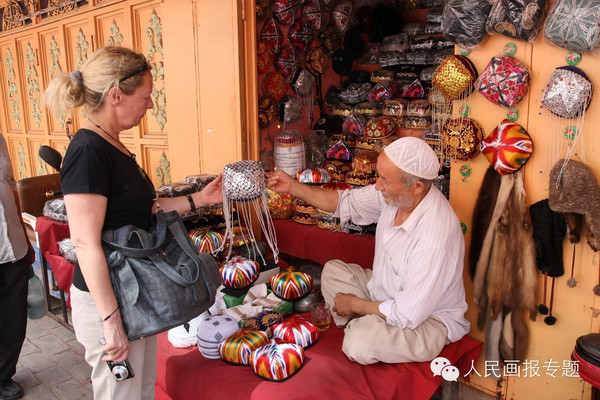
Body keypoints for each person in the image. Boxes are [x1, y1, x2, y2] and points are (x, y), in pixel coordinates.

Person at [43, 46, 223, 399]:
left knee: (140, 392)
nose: (150, 105)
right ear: (115, 95)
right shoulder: (88, 151)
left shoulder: (112, 144)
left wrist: (200, 199)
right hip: (109, 301)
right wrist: (111, 323)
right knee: (121, 394)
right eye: (146, 96)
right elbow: (84, 242)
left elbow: (147, 209)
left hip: (133, 294)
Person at [266, 137, 469, 365]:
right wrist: (293, 187)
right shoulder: (398, 195)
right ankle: (369, 325)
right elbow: (344, 203)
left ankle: (364, 328)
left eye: (384, 180)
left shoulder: (435, 237)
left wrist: (355, 304)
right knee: (332, 272)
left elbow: (407, 313)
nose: (378, 185)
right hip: (386, 291)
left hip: (426, 319)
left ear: (417, 186)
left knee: (359, 343)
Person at [0, 133, 35, 400]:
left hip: (12, 245)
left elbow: (10, 187)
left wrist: (23, 236)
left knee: (13, 317)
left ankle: (3, 374)